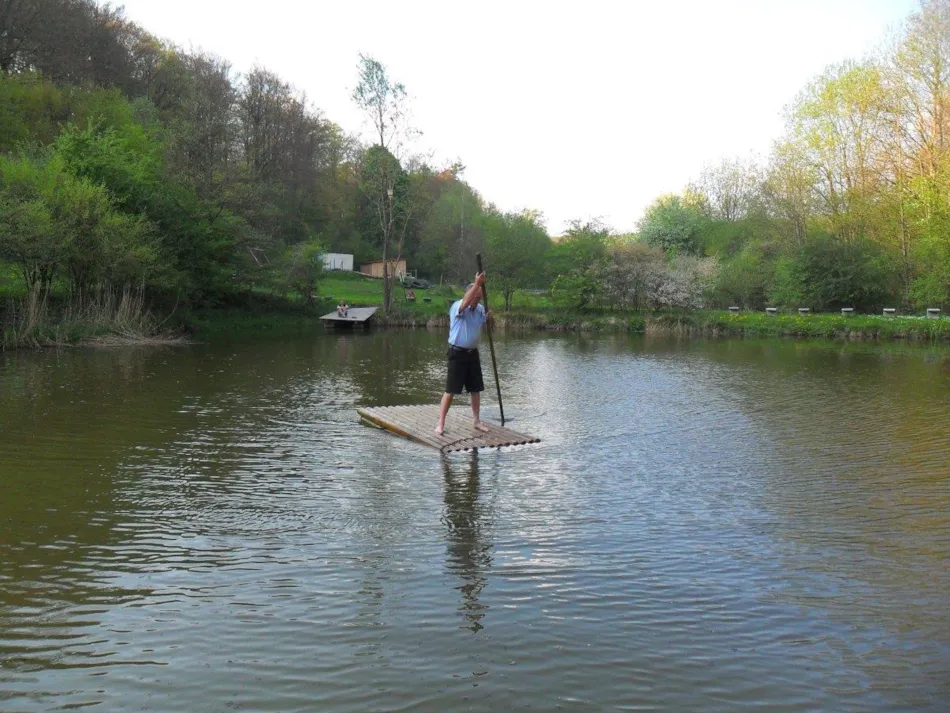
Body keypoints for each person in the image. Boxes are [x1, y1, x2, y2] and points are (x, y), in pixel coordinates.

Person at [435, 272, 492, 436]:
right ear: (469, 294)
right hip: (457, 354)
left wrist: (487, 318)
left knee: (475, 389)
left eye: (480, 297)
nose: (478, 300)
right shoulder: (458, 306)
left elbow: (479, 322)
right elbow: (466, 302)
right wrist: (477, 284)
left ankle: (476, 421)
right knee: (450, 390)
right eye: (476, 296)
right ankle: (440, 423)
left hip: (472, 354)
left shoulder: (479, 309)